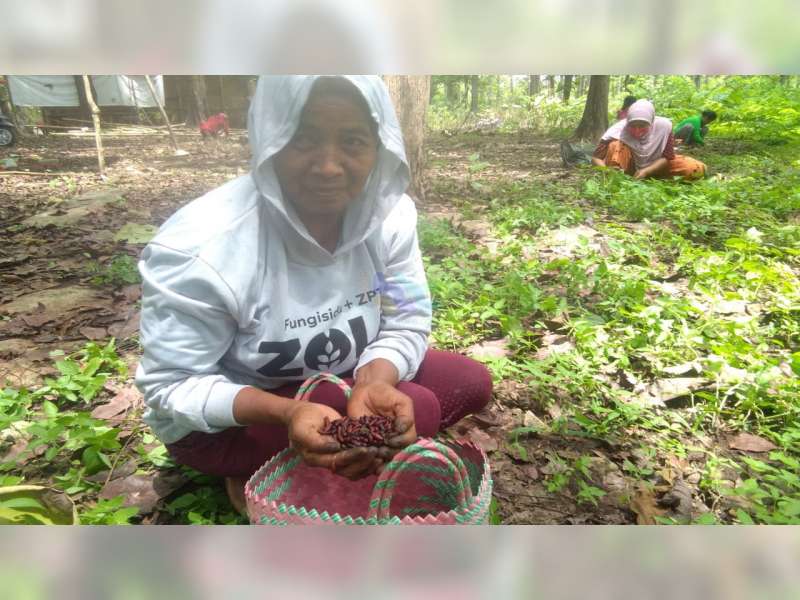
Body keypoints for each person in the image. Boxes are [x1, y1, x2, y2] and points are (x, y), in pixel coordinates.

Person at [135, 75, 493, 513]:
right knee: (414, 407)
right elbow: (172, 385)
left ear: (380, 148)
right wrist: (286, 413)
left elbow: (407, 319)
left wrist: (374, 381)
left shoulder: (390, 219)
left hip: (340, 380)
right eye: (303, 140)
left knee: (469, 383)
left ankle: (310, 462)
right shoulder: (203, 247)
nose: (328, 166)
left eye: (353, 140)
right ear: (269, 139)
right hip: (230, 420)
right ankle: (253, 472)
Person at [591, 99, 706, 180]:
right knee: (615, 145)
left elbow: (667, 156)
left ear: (651, 123)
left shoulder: (664, 127)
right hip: (628, 167)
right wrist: (607, 171)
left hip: (657, 165)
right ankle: (621, 179)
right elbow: (596, 158)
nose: (637, 131)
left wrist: (647, 171)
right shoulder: (617, 130)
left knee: (695, 168)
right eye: (633, 126)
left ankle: (654, 177)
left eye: (642, 126)